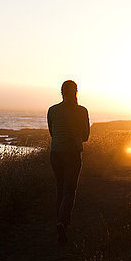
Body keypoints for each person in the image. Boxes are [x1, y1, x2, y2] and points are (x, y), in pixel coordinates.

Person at [47, 80, 90, 245]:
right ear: (76, 92)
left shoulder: (52, 110)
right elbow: (85, 137)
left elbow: (52, 133)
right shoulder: (82, 111)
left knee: (60, 188)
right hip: (72, 153)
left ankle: (60, 221)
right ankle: (63, 223)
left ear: (61, 92)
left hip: (55, 153)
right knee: (69, 191)